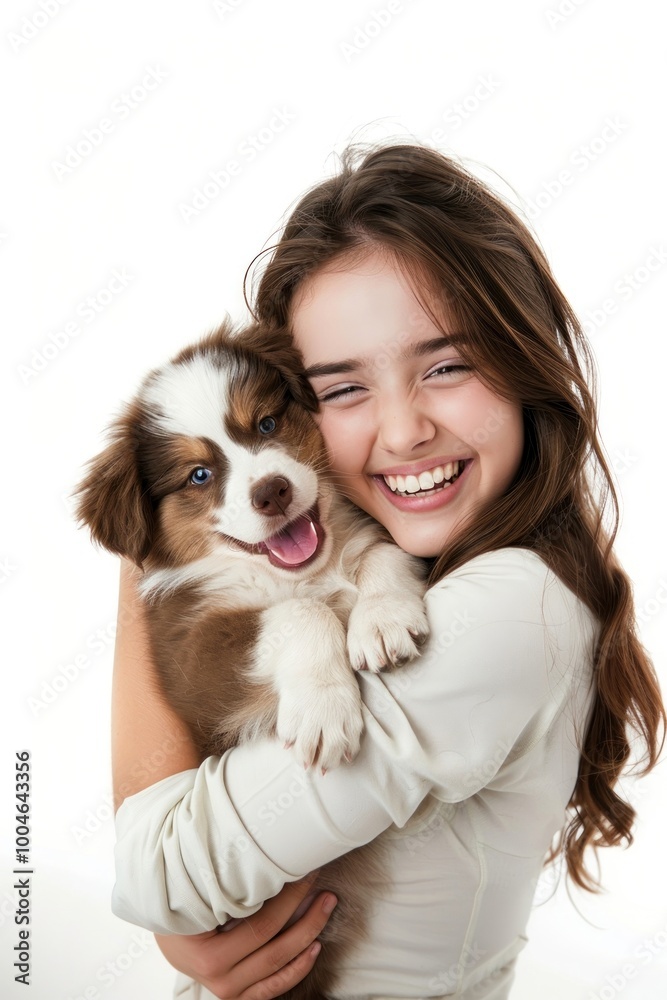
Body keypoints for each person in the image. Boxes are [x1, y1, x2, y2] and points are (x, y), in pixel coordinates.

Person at [109, 142, 665, 1000]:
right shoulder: (422, 563)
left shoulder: (506, 612)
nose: (402, 433)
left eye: (445, 366)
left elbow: (160, 877)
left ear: (525, 361)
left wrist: (142, 564)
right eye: (340, 389)